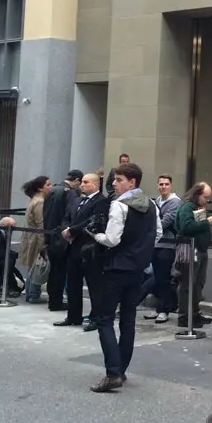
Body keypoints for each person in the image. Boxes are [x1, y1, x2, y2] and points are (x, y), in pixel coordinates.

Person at [89, 162, 157, 392]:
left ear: (132, 182)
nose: (114, 184)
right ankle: (121, 370)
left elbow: (112, 239)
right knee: (128, 320)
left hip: (116, 267)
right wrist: (141, 251)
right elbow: (157, 233)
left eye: (119, 180)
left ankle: (112, 373)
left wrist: (96, 235)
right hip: (137, 268)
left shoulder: (119, 205)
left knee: (104, 319)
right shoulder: (151, 205)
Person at [55, 173, 108, 330]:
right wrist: (65, 229)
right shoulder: (76, 200)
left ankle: (96, 318)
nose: (82, 185)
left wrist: (72, 230)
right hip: (73, 247)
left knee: (94, 285)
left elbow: (93, 221)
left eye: (86, 182)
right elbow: (67, 217)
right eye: (82, 182)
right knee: (72, 284)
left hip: (90, 248)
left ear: (95, 185)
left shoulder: (102, 201)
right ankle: (73, 316)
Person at [174, 182, 212, 329]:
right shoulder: (187, 207)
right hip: (190, 249)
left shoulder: (198, 208)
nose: (207, 200)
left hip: (200, 249)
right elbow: (186, 227)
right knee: (188, 283)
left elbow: (197, 227)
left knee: (198, 283)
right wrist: (207, 222)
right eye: (205, 197)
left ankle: (194, 313)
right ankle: (184, 316)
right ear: (198, 194)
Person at [42, 170, 83, 311]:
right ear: (77, 180)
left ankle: (53, 300)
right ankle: (56, 301)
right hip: (62, 237)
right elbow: (72, 214)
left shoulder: (52, 190)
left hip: (50, 235)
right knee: (60, 271)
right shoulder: (69, 193)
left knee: (54, 271)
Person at [144, 175, 180, 323]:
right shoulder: (155, 201)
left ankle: (165, 310)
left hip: (168, 245)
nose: (163, 186)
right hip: (155, 244)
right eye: (161, 184)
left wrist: (152, 225)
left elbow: (165, 222)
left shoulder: (175, 202)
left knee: (165, 278)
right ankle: (160, 308)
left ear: (171, 186)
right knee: (158, 278)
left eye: (166, 184)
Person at [17, 175, 52, 303]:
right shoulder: (40, 202)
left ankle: (31, 292)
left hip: (31, 237)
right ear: (40, 188)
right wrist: (43, 244)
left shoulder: (35, 200)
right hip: (35, 239)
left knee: (33, 266)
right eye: (48, 185)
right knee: (36, 266)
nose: (50, 187)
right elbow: (40, 224)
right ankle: (33, 293)